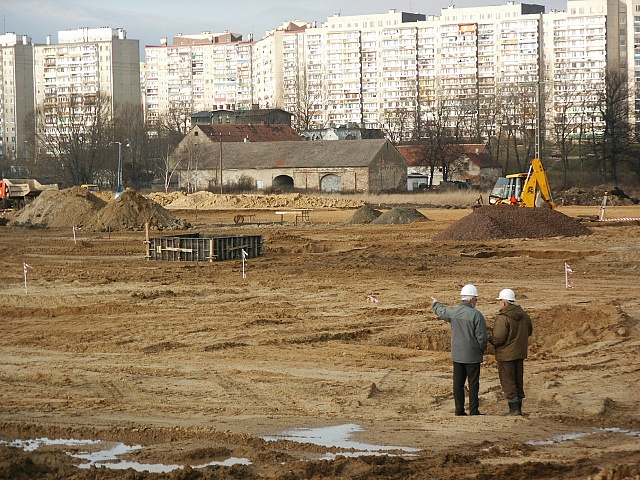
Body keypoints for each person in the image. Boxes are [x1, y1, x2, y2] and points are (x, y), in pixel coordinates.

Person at [432, 284, 488, 416]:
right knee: (473, 384)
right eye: (476, 299)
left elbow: (442, 311)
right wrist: (481, 350)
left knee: (458, 384)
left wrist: (436, 303)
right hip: (472, 356)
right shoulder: (477, 315)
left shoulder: (453, 312)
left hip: (457, 355)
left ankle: (459, 410)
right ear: (472, 299)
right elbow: (482, 337)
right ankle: (474, 410)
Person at [489, 288, 533, 416]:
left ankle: (514, 409)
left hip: (506, 355)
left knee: (508, 382)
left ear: (504, 302)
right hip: (519, 353)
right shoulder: (524, 315)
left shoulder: (503, 318)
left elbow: (498, 338)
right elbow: (529, 332)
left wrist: (489, 338)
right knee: (518, 380)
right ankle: (518, 408)